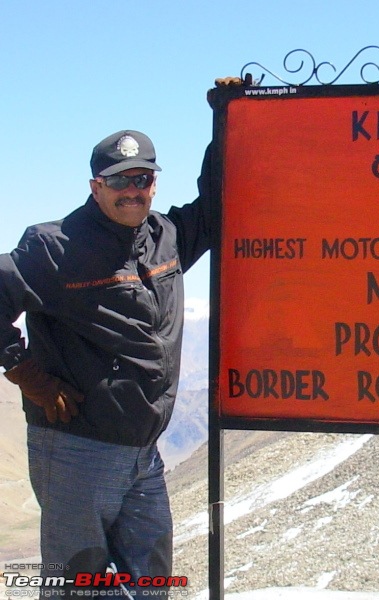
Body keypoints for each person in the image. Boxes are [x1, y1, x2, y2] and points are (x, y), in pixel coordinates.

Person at [0, 127, 218, 598]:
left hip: (144, 451)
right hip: (76, 448)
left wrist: (229, 116)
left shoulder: (166, 237)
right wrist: (26, 373)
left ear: (154, 184)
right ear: (96, 186)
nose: (132, 191)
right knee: (78, 584)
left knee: (153, 580)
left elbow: (217, 203)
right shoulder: (53, 247)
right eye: (119, 181)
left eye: (142, 178)